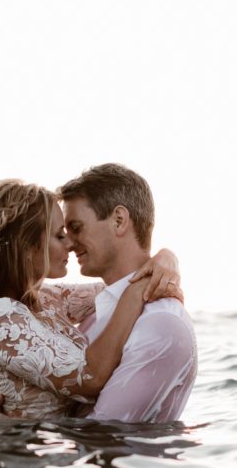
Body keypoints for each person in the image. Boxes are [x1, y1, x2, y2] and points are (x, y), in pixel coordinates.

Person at [0, 179, 182, 419]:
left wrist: (166, 258)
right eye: (60, 236)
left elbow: (119, 285)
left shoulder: (46, 299)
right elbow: (91, 377)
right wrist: (136, 293)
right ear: (27, 247)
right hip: (18, 454)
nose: (70, 244)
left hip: (58, 449)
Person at [59, 163, 197, 423]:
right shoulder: (97, 311)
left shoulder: (161, 325)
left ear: (119, 220)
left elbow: (105, 432)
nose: (68, 244)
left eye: (76, 228)